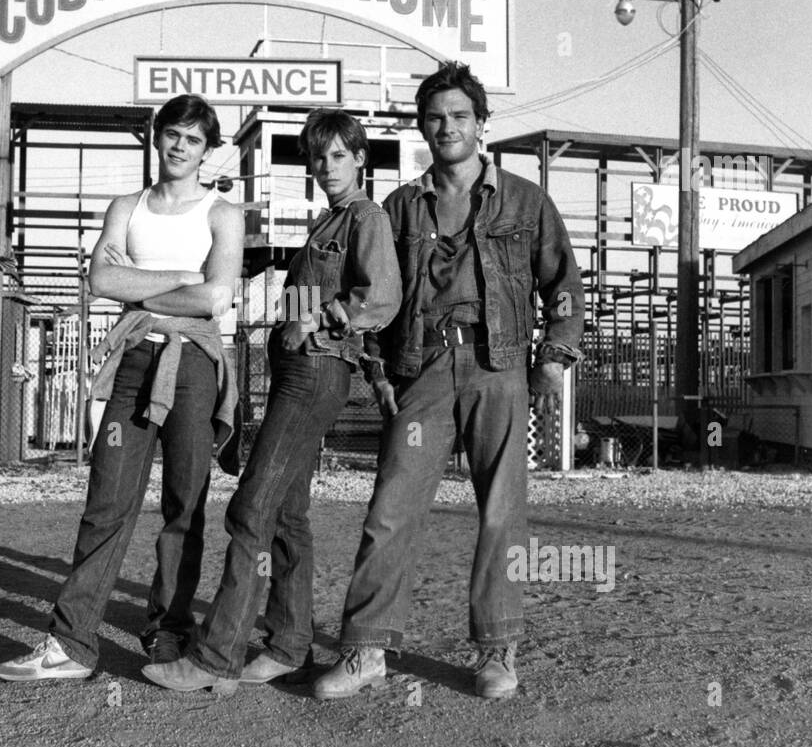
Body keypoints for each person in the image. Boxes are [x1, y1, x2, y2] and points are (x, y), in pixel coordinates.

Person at [313, 62, 584, 701]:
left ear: (481, 124)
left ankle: (497, 652)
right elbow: (373, 294)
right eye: (435, 118)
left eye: (460, 116)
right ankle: (365, 650)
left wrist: (556, 353)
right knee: (390, 510)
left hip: (500, 368)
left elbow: (564, 285)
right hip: (423, 373)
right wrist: (376, 373)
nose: (447, 127)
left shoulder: (526, 201)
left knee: (501, 514)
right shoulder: (400, 207)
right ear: (422, 128)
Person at [141, 109, 401, 695]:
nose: (326, 167)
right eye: (317, 157)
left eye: (338, 155)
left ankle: (214, 658)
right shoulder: (327, 224)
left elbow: (380, 297)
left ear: (361, 159)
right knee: (287, 516)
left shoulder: (366, 218)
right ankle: (288, 644)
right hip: (298, 375)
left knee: (249, 509)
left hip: (317, 374)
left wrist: (319, 316)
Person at [0, 94, 244, 682]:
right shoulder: (126, 206)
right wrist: (182, 277)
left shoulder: (222, 213)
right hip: (134, 357)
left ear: (207, 150)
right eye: (172, 135)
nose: (180, 147)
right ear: (157, 139)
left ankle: (168, 633)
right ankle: (71, 643)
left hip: (194, 364)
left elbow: (215, 297)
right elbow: (101, 278)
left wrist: (143, 287)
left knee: (184, 504)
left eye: (193, 139)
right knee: (108, 500)